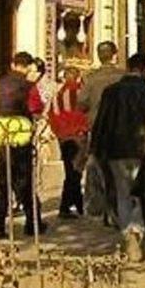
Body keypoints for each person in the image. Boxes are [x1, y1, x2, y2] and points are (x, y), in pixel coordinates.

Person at [92, 54, 145, 262]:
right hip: (142, 150)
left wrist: (95, 150)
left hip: (116, 150)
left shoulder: (111, 92)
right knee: (140, 193)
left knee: (122, 193)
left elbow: (102, 122)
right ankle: (137, 231)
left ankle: (128, 234)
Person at [0, 51, 43, 238]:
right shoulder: (29, 87)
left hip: (2, 135)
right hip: (21, 135)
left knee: (3, 180)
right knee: (24, 180)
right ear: (28, 66)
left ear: (13, 64)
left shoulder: (0, 84)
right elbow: (36, 108)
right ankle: (32, 221)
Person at [78, 41, 123, 220]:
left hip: (97, 128)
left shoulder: (91, 78)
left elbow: (81, 103)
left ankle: (98, 205)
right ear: (115, 55)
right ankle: (117, 206)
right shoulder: (122, 76)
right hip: (119, 128)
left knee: (96, 167)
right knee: (117, 169)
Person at [49, 64, 89, 218]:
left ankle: (77, 204)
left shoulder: (57, 95)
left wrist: (59, 133)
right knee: (76, 172)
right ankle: (66, 206)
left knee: (70, 170)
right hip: (78, 137)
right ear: (78, 77)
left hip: (63, 138)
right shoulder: (80, 93)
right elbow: (84, 114)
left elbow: (52, 117)